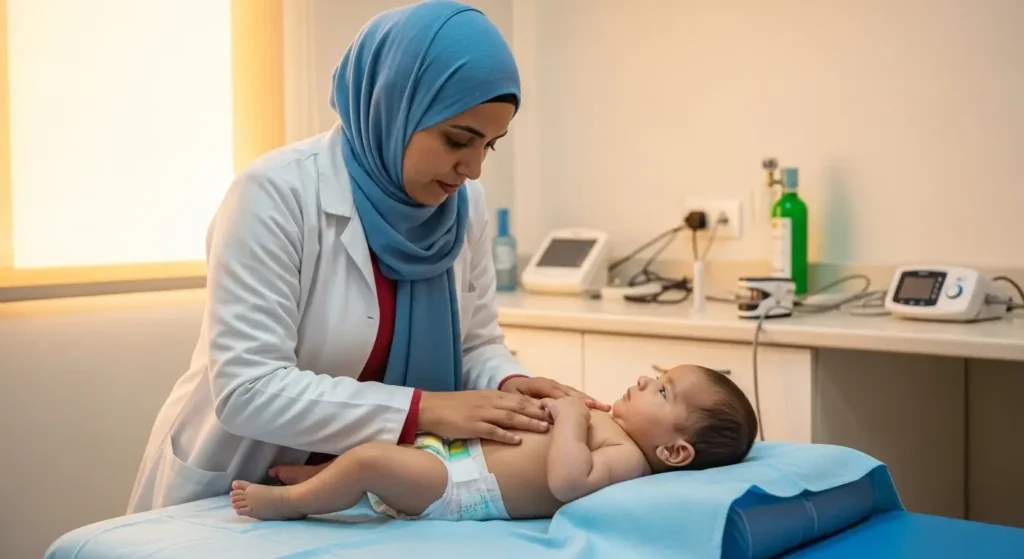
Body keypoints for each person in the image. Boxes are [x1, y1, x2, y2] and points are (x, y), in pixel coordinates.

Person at [126, 0, 606, 515]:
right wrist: (426, 410)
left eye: (489, 146)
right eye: (457, 140)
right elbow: (250, 387)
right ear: (392, 105)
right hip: (243, 485)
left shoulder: (462, 207)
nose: (472, 169)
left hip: (374, 494)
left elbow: (476, 344)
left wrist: (508, 384)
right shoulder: (274, 193)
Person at [229, 365, 759, 521]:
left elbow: (569, 480)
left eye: (662, 391)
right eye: (655, 375)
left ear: (673, 452)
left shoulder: (628, 460)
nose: (643, 382)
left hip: (460, 488)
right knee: (376, 450)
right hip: (455, 456)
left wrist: (572, 417)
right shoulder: (618, 427)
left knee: (371, 462)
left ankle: (293, 503)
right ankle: (326, 482)